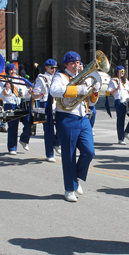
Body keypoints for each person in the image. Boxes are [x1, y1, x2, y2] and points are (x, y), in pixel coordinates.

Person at [50, 51, 98, 203]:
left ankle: (75, 177)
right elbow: (54, 91)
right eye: (73, 63)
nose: (76, 66)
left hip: (83, 117)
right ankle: (69, 188)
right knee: (69, 155)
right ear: (66, 65)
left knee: (89, 151)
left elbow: (92, 102)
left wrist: (94, 92)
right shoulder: (60, 76)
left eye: (78, 63)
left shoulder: (84, 78)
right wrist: (78, 90)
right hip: (67, 118)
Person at [32, 58, 61, 162]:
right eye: (51, 68)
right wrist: (39, 94)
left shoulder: (57, 78)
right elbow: (34, 94)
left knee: (61, 126)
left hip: (56, 104)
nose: (53, 69)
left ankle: (57, 143)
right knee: (49, 131)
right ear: (46, 67)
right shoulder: (41, 79)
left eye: (55, 68)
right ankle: (49, 154)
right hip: (46, 104)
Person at [106, 66, 129, 145]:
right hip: (119, 101)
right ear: (117, 72)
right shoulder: (114, 81)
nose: (122, 73)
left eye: (123, 71)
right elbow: (108, 92)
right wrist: (116, 89)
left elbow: (127, 92)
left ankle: (127, 132)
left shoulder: (126, 81)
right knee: (121, 120)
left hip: (127, 100)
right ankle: (120, 138)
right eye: (120, 71)